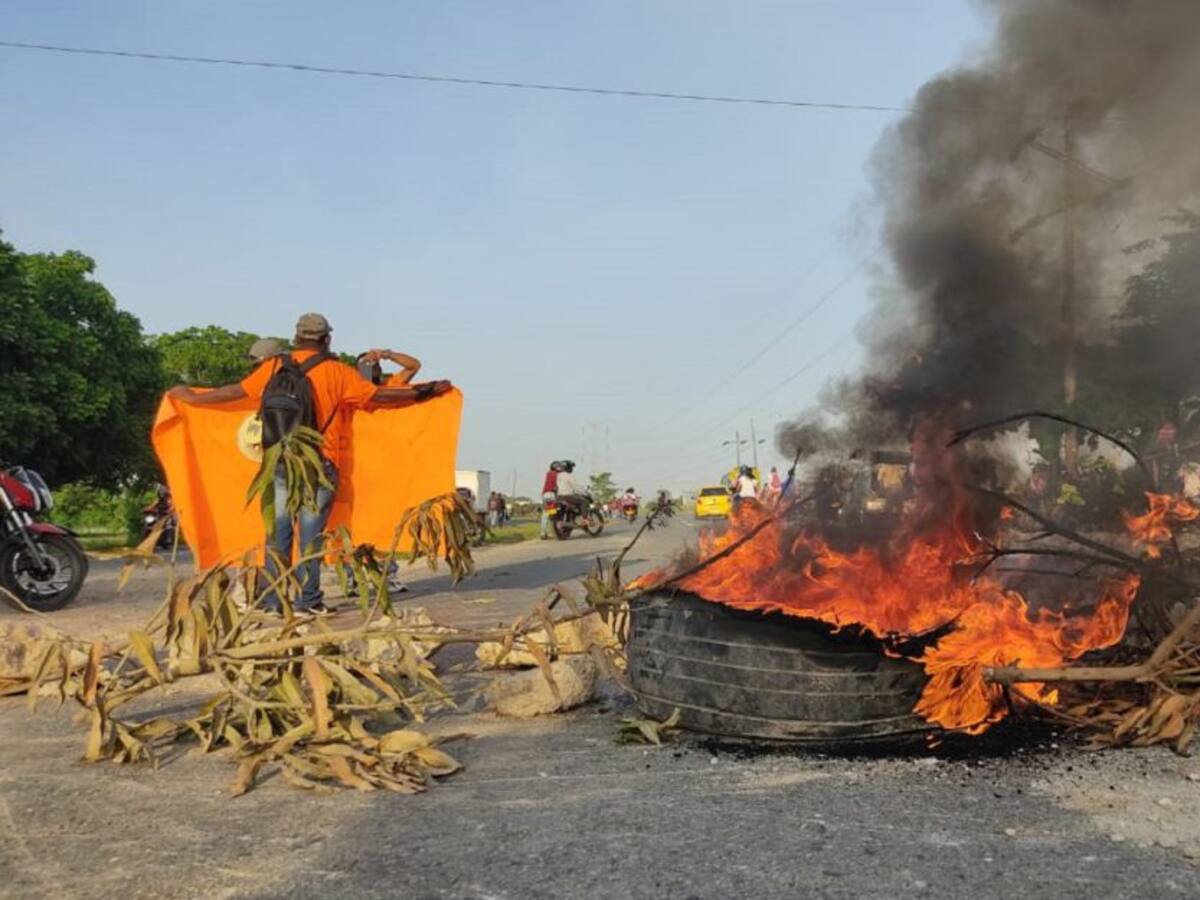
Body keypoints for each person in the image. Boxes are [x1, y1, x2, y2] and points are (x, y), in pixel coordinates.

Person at [169, 312, 452, 614]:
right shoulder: (338, 372)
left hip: (279, 460)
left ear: (296, 337)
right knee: (310, 537)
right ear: (327, 339)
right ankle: (308, 600)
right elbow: (381, 397)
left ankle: (274, 601)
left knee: (277, 535)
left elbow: (235, 392)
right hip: (319, 464)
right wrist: (426, 391)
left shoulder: (274, 366)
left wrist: (191, 397)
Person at [356, 348, 422, 387]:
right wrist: (365, 360)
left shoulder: (389, 385)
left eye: (375, 365)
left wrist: (387, 354)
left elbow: (415, 365)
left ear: (380, 370)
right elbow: (366, 383)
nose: (372, 366)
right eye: (368, 364)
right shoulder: (355, 389)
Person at [540, 461, 561, 540]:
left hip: (545, 495)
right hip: (551, 495)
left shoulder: (548, 474)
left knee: (545, 514)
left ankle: (543, 533)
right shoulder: (557, 475)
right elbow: (557, 487)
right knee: (553, 515)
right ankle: (553, 532)